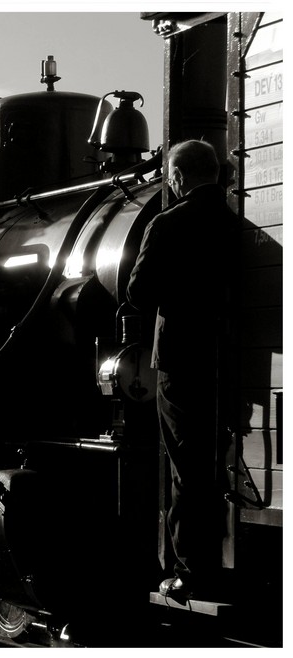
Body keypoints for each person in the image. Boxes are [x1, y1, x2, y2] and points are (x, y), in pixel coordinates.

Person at [126, 139, 241, 601]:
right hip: (227, 359)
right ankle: (221, 558)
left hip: (178, 360)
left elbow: (139, 291)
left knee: (184, 467)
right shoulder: (236, 225)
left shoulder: (168, 223)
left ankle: (191, 571)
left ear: (177, 176)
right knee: (218, 464)